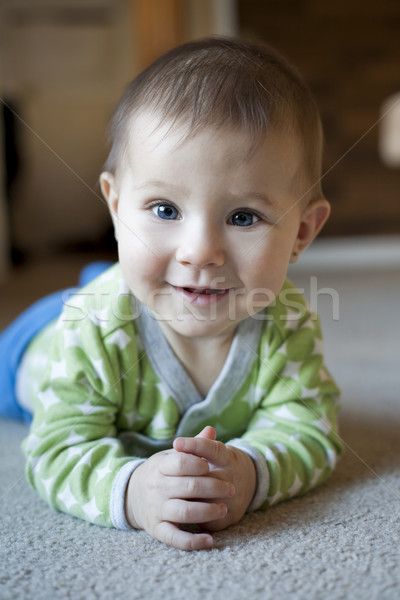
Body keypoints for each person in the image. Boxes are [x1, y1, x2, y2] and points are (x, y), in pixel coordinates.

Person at [0, 37, 342, 551]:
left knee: (139, 276)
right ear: (116, 208)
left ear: (301, 233)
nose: (199, 251)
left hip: (144, 286)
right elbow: (55, 452)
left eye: (243, 217)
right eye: (164, 209)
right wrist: (134, 491)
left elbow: (311, 432)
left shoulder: (287, 324)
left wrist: (251, 472)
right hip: (39, 339)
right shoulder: (89, 330)